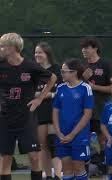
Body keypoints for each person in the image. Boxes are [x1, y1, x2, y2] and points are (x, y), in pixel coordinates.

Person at [0, 32, 57, 180]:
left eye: (2, 46)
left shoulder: (30, 66)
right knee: (5, 159)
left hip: (26, 119)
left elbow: (52, 78)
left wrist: (39, 99)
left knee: (34, 158)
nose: (0, 49)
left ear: (12, 48)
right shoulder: (2, 66)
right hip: (5, 119)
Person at [52, 58, 94, 180]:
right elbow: (55, 111)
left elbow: (87, 114)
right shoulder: (60, 88)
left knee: (78, 167)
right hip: (62, 135)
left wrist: (73, 134)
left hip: (79, 136)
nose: (62, 73)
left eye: (64, 71)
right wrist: (58, 132)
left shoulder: (85, 88)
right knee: (66, 168)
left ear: (74, 72)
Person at [80, 37, 112, 169]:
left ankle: (106, 163)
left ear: (95, 48)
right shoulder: (82, 67)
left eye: (86, 47)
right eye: (83, 48)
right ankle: (87, 163)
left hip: (101, 107)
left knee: (102, 137)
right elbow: (75, 87)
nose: (84, 50)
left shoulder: (105, 65)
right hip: (85, 109)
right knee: (84, 137)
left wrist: (95, 88)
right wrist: (82, 78)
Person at [34, 42, 63, 179]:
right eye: (35, 52)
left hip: (54, 111)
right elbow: (31, 93)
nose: (37, 55)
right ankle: (49, 175)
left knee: (54, 144)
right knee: (43, 145)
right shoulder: (34, 70)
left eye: (40, 52)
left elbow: (60, 91)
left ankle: (57, 175)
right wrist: (45, 94)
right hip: (39, 112)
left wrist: (48, 95)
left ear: (47, 54)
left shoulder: (57, 70)